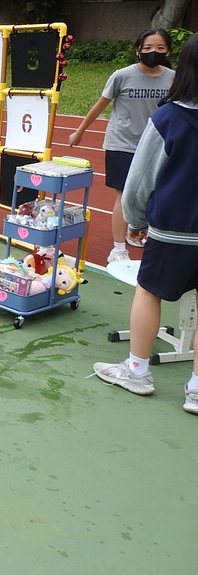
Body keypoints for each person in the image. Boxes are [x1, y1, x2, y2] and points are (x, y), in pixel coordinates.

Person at [91, 33, 198, 415]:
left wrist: (136, 221)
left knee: (149, 291)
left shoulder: (169, 118)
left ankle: (136, 371)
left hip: (174, 229)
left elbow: (139, 181)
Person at [68, 28, 175, 265]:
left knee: (155, 194)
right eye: (147, 48)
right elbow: (100, 105)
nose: (153, 52)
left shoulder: (173, 78)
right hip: (122, 144)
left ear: (168, 50)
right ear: (137, 50)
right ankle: (118, 248)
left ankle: (138, 232)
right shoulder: (122, 75)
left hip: (157, 146)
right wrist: (80, 131)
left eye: (160, 48)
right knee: (124, 195)